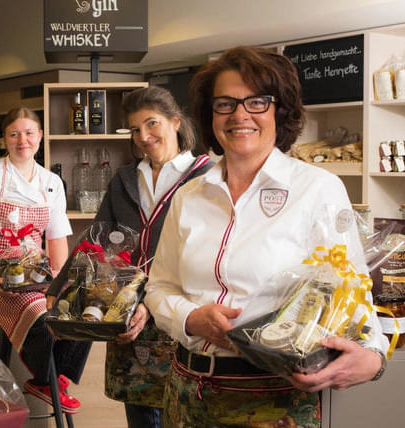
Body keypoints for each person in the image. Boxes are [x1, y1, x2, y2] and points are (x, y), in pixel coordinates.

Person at [144, 46, 388, 427]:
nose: (240, 115)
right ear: (211, 115)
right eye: (225, 104)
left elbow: (350, 291)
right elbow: (158, 288)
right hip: (187, 392)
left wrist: (373, 357)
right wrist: (190, 318)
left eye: (257, 101)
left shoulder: (317, 189)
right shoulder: (189, 196)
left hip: (274, 401)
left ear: (281, 110)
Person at [47, 86, 213, 428]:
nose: (144, 137)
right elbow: (96, 239)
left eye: (152, 124)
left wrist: (152, 302)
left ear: (175, 122)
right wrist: (60, 290)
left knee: (182, 414)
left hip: (179, 313)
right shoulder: (125, 179)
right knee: (140, 414)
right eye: (135, 129)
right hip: (124, 310)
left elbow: (208, 254)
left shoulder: (205, 178)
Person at [0, 107, 91, 414]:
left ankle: (53, 378)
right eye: (14, 134)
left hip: (38, 270)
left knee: (79, 309)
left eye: (29, 133)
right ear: (4, 138)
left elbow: (57, 237)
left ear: (40, 136)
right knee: (41, 316)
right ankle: (46, 380)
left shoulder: (51, 181)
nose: (23, 141)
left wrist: (58, 280)